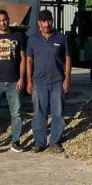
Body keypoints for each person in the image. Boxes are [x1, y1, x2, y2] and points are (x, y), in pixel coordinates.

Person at [26, 9, 71, 153]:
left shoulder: (60, 38)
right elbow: (29, 60)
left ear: (52, 21)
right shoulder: (33, 39)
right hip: (39, 82)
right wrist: (29, 80)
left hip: (57, 81)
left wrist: (67, 79)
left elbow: (67, 59)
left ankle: (55, 142)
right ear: (39, 23)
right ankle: (40, 142)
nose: (47, 24)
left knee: (57, 113)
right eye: (43, 21)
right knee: (39, 113)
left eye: (49, 21)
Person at [0, 9, 26, 153]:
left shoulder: (18, 36)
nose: (3, 22)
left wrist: (21, 78)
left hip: (14, 82)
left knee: (17, 114)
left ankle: (15, 141)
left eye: (4, 19)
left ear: (8, 19)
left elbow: (23, 60)